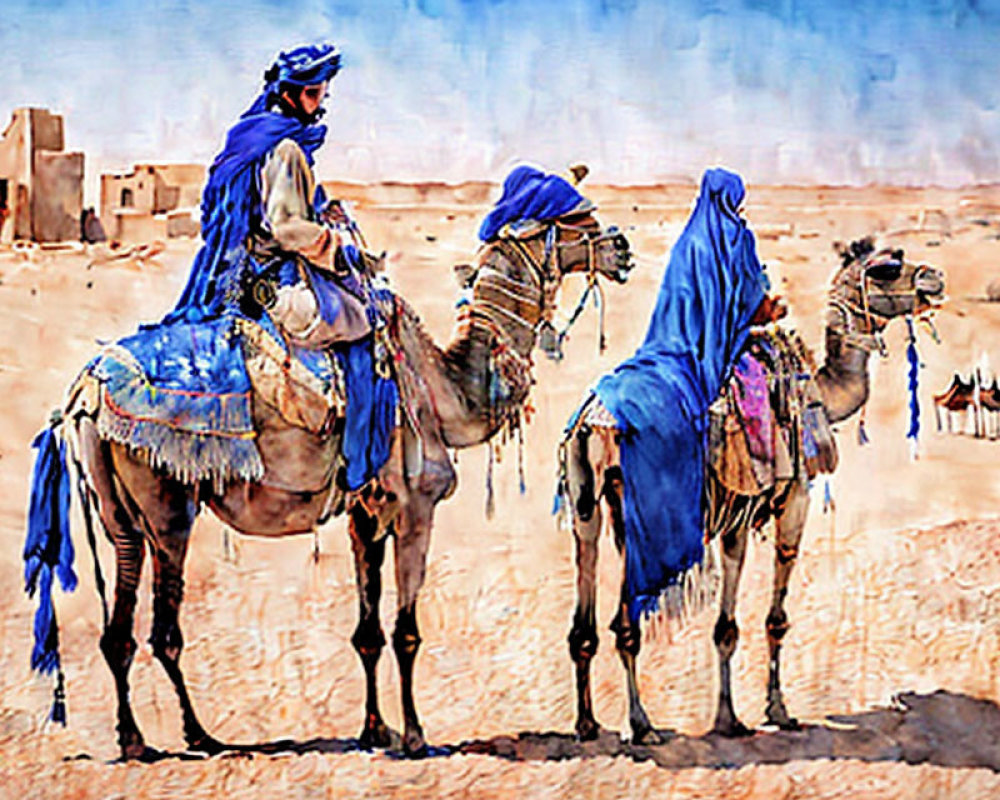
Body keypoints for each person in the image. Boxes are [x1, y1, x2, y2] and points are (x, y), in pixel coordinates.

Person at [592, 167, 782, 618]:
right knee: (759, 391)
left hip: (666, 349)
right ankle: (761, 494)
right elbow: (751, 302)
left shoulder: (685, 243)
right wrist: (770, 311)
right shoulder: (738, 239)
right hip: (714, 354)